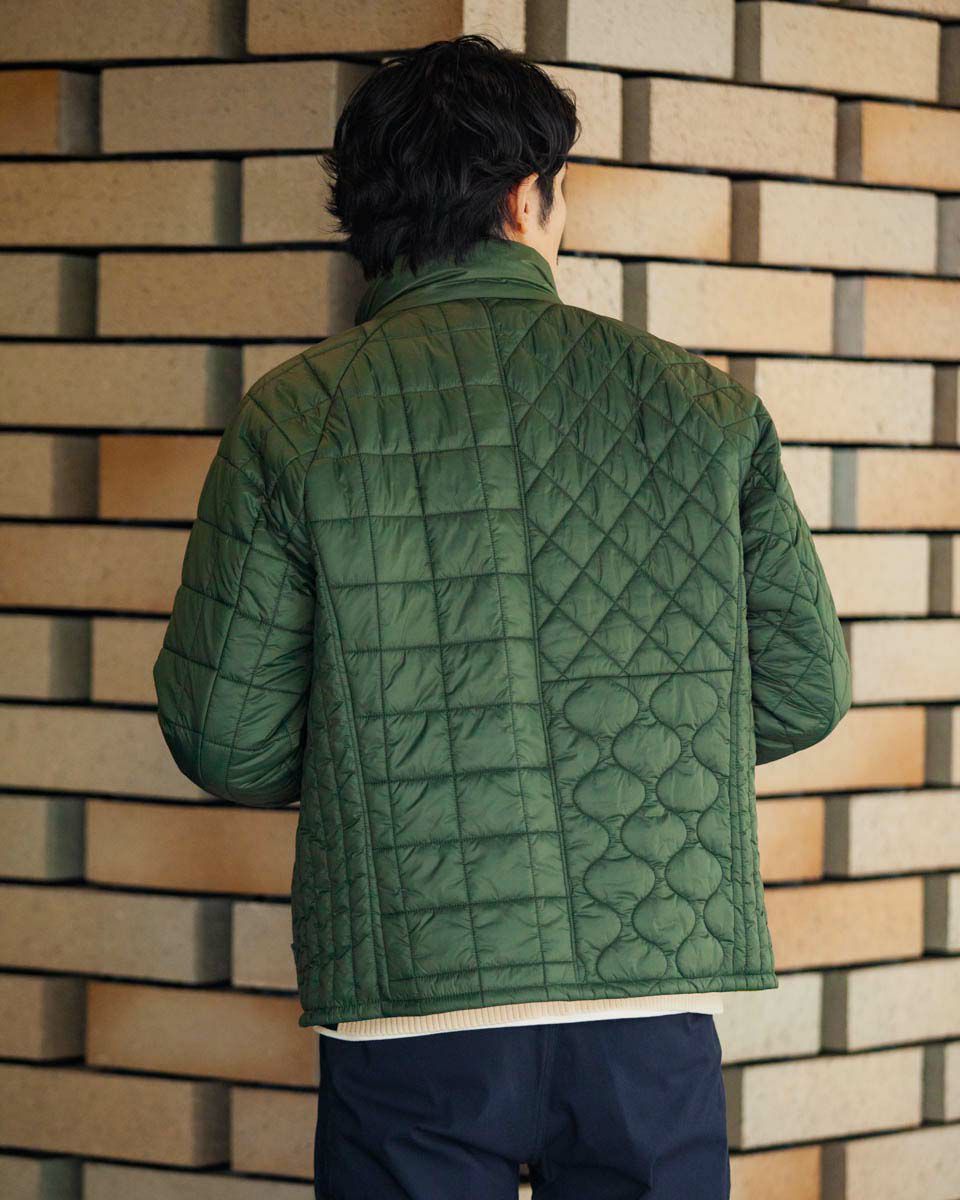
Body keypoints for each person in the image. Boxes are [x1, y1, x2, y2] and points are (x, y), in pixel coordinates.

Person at [153, 33, 852, 1200]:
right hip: (649, 989)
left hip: (408, 995)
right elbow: (802, 689)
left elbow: (227, 738)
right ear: (528, 197)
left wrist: (380, 760)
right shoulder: (699, 409)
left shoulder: (296, 419)